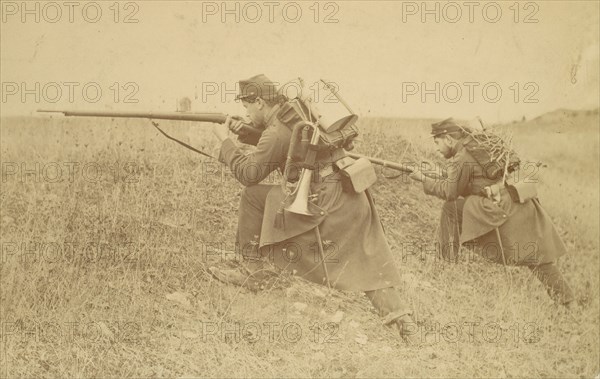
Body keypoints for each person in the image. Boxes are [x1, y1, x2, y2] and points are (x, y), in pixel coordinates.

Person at [211, 74, 416, 340]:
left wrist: (225, 142)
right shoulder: (298, 111)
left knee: (253, 196)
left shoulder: (276, 131)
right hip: (351, 193)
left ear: (260, 102)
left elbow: (250, 174)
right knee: (367, 261)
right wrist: (247, 134)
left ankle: (253, 272)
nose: (246, 112)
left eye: (247, 106)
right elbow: (290, 145)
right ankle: (403, 321)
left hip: (324, 202)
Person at [408, 118, 575, 306]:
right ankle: (569, 303)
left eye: (437, 142)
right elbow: (470, 181)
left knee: (451, 209)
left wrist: (423, 178)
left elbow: (450, 192)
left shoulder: (463, 156)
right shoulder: (474, 149)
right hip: (516, 203)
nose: (436, 149)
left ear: (448, 139)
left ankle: (444, 265)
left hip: (504, 208)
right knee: (536, 257)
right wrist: (439, 173)